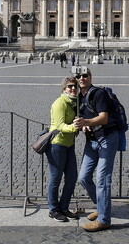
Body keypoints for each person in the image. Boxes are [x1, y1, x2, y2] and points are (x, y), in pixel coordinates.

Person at [73, 68, 118, 232]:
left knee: (103, 179)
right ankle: (100, 206)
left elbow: (103, 118)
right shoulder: (80, 97)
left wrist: (86, 122)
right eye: (79, 76)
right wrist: (84, 126)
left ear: (91, 77)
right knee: (83, 177)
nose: (82, 78)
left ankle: (104, 219)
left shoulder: (99, 94)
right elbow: (85, 118)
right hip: (92, 140)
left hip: (107, 138)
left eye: (85, 75)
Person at [46, 76, 80, 222]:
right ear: (64, 89)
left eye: (75, 86)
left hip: (69, 144)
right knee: (56, 178)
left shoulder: (74, 103)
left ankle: (64, 207)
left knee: (72, 177)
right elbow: (59, 125)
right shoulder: (60, 103)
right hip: (57, 144)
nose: (73, 89)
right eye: (70, 86)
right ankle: (53, 209)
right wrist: (74, 127)